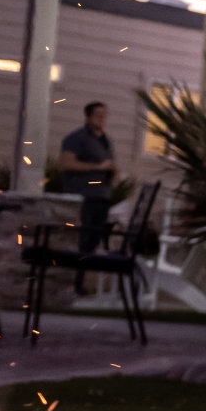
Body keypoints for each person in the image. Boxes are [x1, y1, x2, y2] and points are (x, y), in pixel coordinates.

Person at [59, 101, 117, 293]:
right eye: (97, 115)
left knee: (93, 241)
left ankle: (80, 281)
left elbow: (110, 165)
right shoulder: (76, 138)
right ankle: (74, 283)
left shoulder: (106, 141)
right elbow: (67, 164)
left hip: (102, 197)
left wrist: (111, 173)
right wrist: (97, 167)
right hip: (82, 197)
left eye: (104, 115)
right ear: (88, 116)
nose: (101, 119)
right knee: (80, 240)